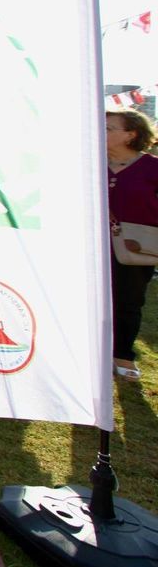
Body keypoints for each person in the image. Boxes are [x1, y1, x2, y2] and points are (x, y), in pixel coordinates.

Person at [106, 108, 158, 381]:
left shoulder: (152, 168)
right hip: (94, 245)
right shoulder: (92, 165)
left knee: (128, 300)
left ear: (131, 134)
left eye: (109, 129)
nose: (102, 133)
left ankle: (123, 354)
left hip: (135, 246)